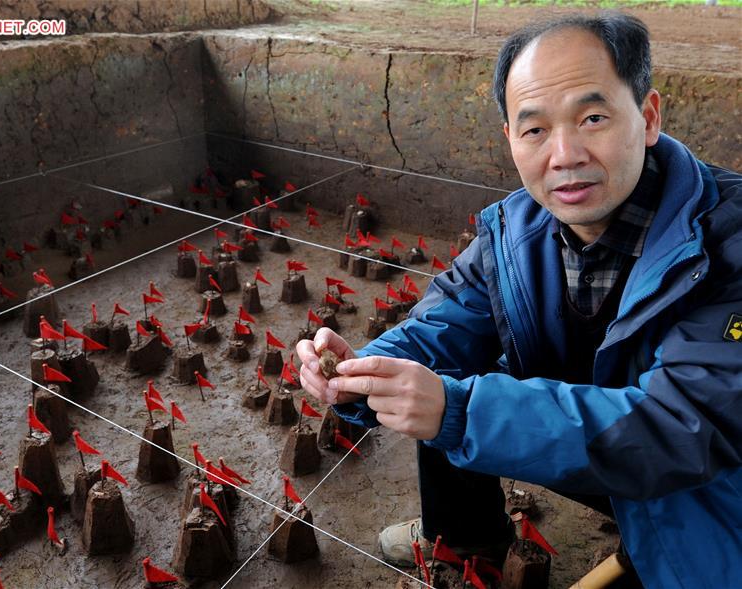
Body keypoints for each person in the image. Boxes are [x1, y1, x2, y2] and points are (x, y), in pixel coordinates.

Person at [296, 12, 741, 589]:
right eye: (534, 129)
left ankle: (651, 552)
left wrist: (459, 411)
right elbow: (440, 325)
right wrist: (361, 369)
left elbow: (679, 427)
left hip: (699, 482)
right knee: (443, 378)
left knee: (459, 406)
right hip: (586, 445)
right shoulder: (514, 231)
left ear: (649, 116)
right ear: (510, 139)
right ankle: (465, 542)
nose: (565, 154)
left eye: (593, 117)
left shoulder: (727, 243)